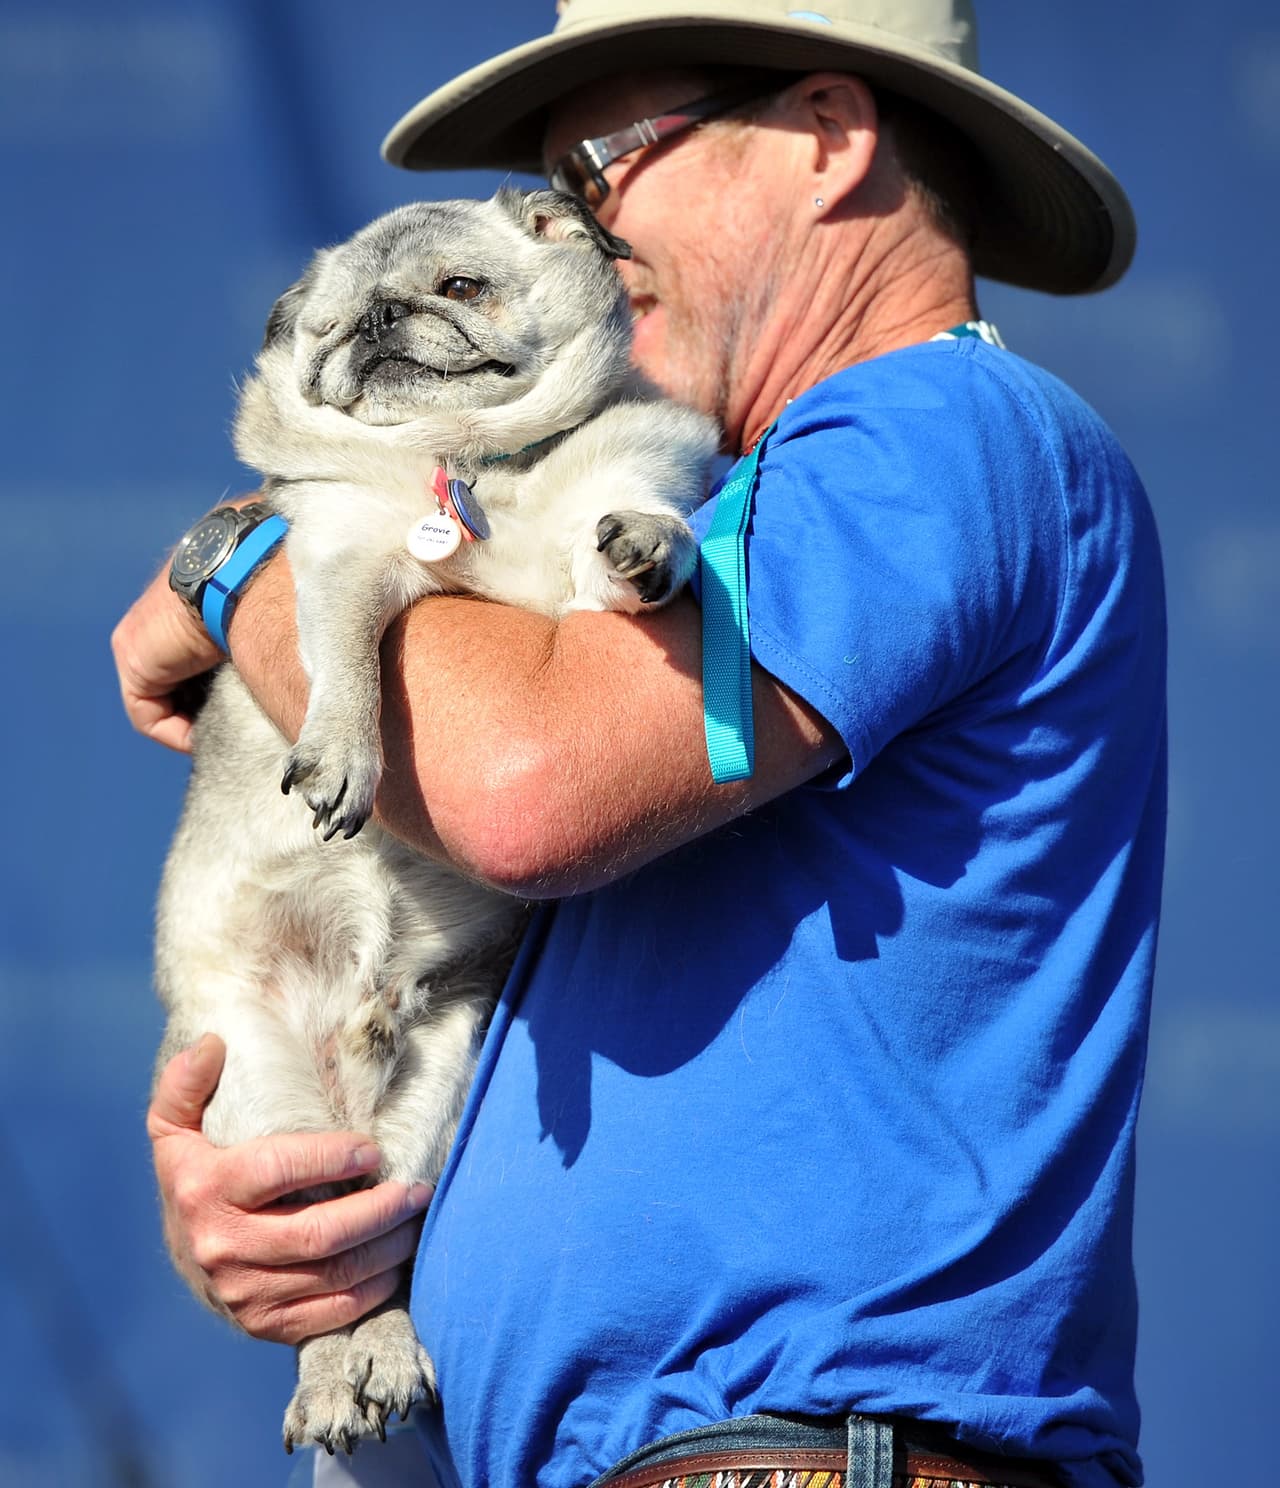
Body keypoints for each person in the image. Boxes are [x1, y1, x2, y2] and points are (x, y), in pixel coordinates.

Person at [111, 2, 1166, 1486]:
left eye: (597, 170)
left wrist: (235, 567)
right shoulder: (733, 495)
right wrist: (279, 1213)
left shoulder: (942, 428)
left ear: (824, 137)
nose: (575, 239)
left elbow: (525, 786)